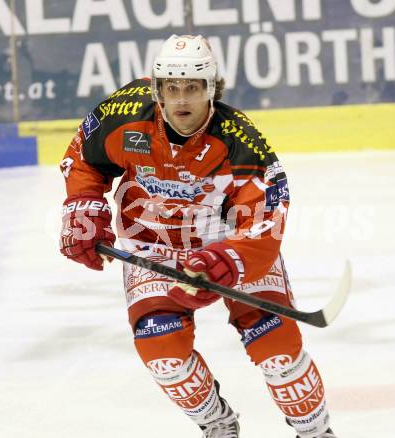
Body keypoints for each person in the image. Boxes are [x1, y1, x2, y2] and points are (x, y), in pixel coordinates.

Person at [59, 34, 336, 438]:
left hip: (226, 242)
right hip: (152, 245)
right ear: (157, 89)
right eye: (171, 88)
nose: (181, 99)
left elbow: (266, 220)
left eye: (193, 87)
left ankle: (315, 432)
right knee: (163, 355)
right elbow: (83, 159)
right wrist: (82, 207)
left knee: (277, 350)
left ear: (211, 88)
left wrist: (228, 259)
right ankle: (218, 426)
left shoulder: (240, 141)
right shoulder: (122, 115)